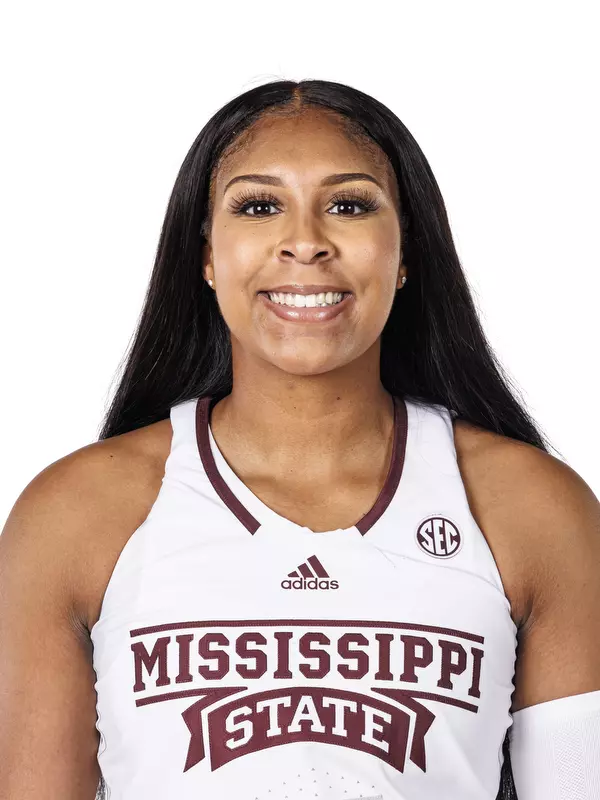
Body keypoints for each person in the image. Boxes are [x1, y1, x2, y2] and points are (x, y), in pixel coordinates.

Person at [1, 79, 598, 800]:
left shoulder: (534, 511)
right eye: (258, 206)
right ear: (207, 257)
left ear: (406, 252)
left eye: (348, 205)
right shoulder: (76, 514)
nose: (306, 242)